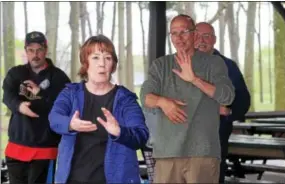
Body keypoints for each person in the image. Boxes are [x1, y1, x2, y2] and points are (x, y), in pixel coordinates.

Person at [140, 14, 235, 183]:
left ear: (194, 34)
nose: (179, 38)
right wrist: (163, 102)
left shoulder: (214, 63)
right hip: (167, 153)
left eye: (183, 32)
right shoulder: (161, 65)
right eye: (174, 33)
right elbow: (145, 97)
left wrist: (194, 79)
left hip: (203, 152)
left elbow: (227, 96)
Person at [48, 35, 149, 184]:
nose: (102, 64)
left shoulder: (125, 99)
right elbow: (54, 118)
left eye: (107, 58)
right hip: (73, 179)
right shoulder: (71, 93)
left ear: (113, 64)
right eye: (95, 57)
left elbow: (141, 134)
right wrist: (70, 124)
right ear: (85, 63)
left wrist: (120, 132)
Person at [2, 31, 71, 184]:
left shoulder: (59, 78)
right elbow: (7, 96)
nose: (35, 54)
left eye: (39, 49)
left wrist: (41, 94)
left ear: (45, 50)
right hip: (16, 147)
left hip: (44, 150)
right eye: (31, 50)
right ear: (26, 51)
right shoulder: (16, 73)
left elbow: (64, 107)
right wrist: (19, 106)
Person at [195, 22, 251, 183]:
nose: (201, 40)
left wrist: (229, 111)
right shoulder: (180, 64)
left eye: (206, 36)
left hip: (214, 138)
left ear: (214, 40)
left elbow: (243, 99)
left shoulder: (228, 66)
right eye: (197, 36)